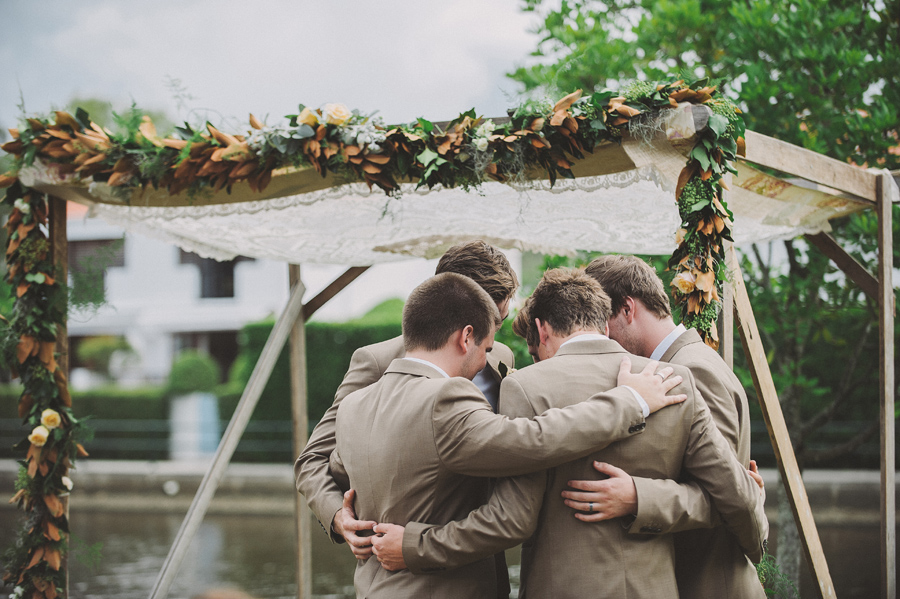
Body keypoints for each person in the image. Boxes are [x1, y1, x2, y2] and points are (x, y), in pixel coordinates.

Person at [371, 269, 767, 599]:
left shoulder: (525, 386)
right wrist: (755, 536)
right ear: (603, 321)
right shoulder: (673, 379)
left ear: (541, 329)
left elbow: (512, 520)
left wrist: (416, 544)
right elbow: (732, 493)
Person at [294, 240, 519, 554]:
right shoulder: (376, 361)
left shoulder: (500, 356)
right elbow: (312, 460)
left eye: (500, 322)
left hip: (481, 554)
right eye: (488, 320)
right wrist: (337, 516)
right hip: (397, 556)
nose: (492, 333)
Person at [562, 254, 765, 599]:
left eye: (602, 325)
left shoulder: (692, 370)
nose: (603, 341)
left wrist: (636, 497)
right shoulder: (679, 364)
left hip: (710, 584)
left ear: (627, 309)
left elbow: (728, 493)